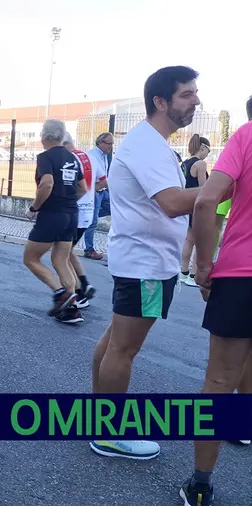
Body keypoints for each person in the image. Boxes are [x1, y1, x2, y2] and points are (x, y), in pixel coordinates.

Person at [90, 66, 201, 461]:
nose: (196, 101)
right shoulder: (147, 145)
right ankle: (108, 433)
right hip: (146, 268)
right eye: (187, 94)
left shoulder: (151, 143)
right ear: (160, 101)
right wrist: (225, 186)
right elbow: (172, 203)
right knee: (124, 348)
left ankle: (100, 421)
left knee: (114, 342)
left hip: (147, 263)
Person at [179, 109, 252, 506]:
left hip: (242, 274)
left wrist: (204, 265)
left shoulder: (246, 135)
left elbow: (207, 201)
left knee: (219, 383)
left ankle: (201, 485)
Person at [22, 120, 87, 323]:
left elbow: (47, 183)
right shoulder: (73, 158)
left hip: (52, 215)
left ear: (44, 136)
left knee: (30, 259)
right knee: (61, 260)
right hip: (71, 215)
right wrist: (67, 202)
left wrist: (34, 208)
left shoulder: (45, 157)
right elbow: (83, 188)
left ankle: (61, 294)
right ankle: (72, 309)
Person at [62, 133, 96, 309]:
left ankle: (78, 294)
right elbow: (101, 182)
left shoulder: (68, 159)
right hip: (87, 212)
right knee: (68, 251)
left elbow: (72, 187)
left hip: (73, 213)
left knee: (61, 254)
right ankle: (84, 283)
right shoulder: (88, 156)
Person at [179, 134, 211, 286]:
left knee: (188, 241)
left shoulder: (185, 163)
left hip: (185, 204)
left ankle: (183, 272)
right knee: (199, 242)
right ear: (202, 148)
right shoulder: (200, 164)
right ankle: (193, 275)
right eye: (207, 151)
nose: (207, 154)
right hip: (196, 206)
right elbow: (204, 189)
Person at [84, 133, 113, 260]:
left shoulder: (103, 156)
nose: (110, 146)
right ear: (100, 142)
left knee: (112, 207)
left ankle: (88, 215)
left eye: (112, 144)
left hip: (103, 191)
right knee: (93, 222)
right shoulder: (93, 155)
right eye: (108, 143)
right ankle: (89, 249)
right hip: (95, 190)